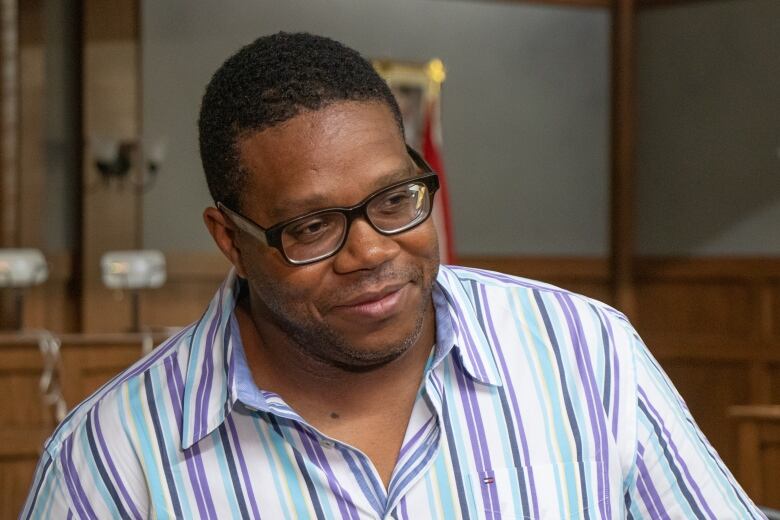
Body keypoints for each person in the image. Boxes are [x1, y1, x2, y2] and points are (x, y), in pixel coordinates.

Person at [22, 32, 763, 520]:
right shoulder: (111, 461)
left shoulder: (585, 354)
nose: (373, 251)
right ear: (230, 238)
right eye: (312, 227)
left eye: (394, 200)